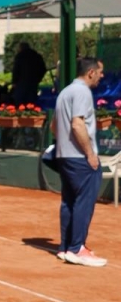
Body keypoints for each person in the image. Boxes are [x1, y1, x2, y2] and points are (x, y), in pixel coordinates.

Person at [54, 57, 107, 267]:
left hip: (65, 156)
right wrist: (90, 154)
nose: (102, 76)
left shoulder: (65, 91)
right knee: (84, 202)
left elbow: (54, 126)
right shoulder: (83, 92)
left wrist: (63, 147)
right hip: (80, 157)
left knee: (69, 201)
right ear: (91, 72)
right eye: (100, 72)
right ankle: (77, 249)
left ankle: (65, 247)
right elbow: (77, 125)